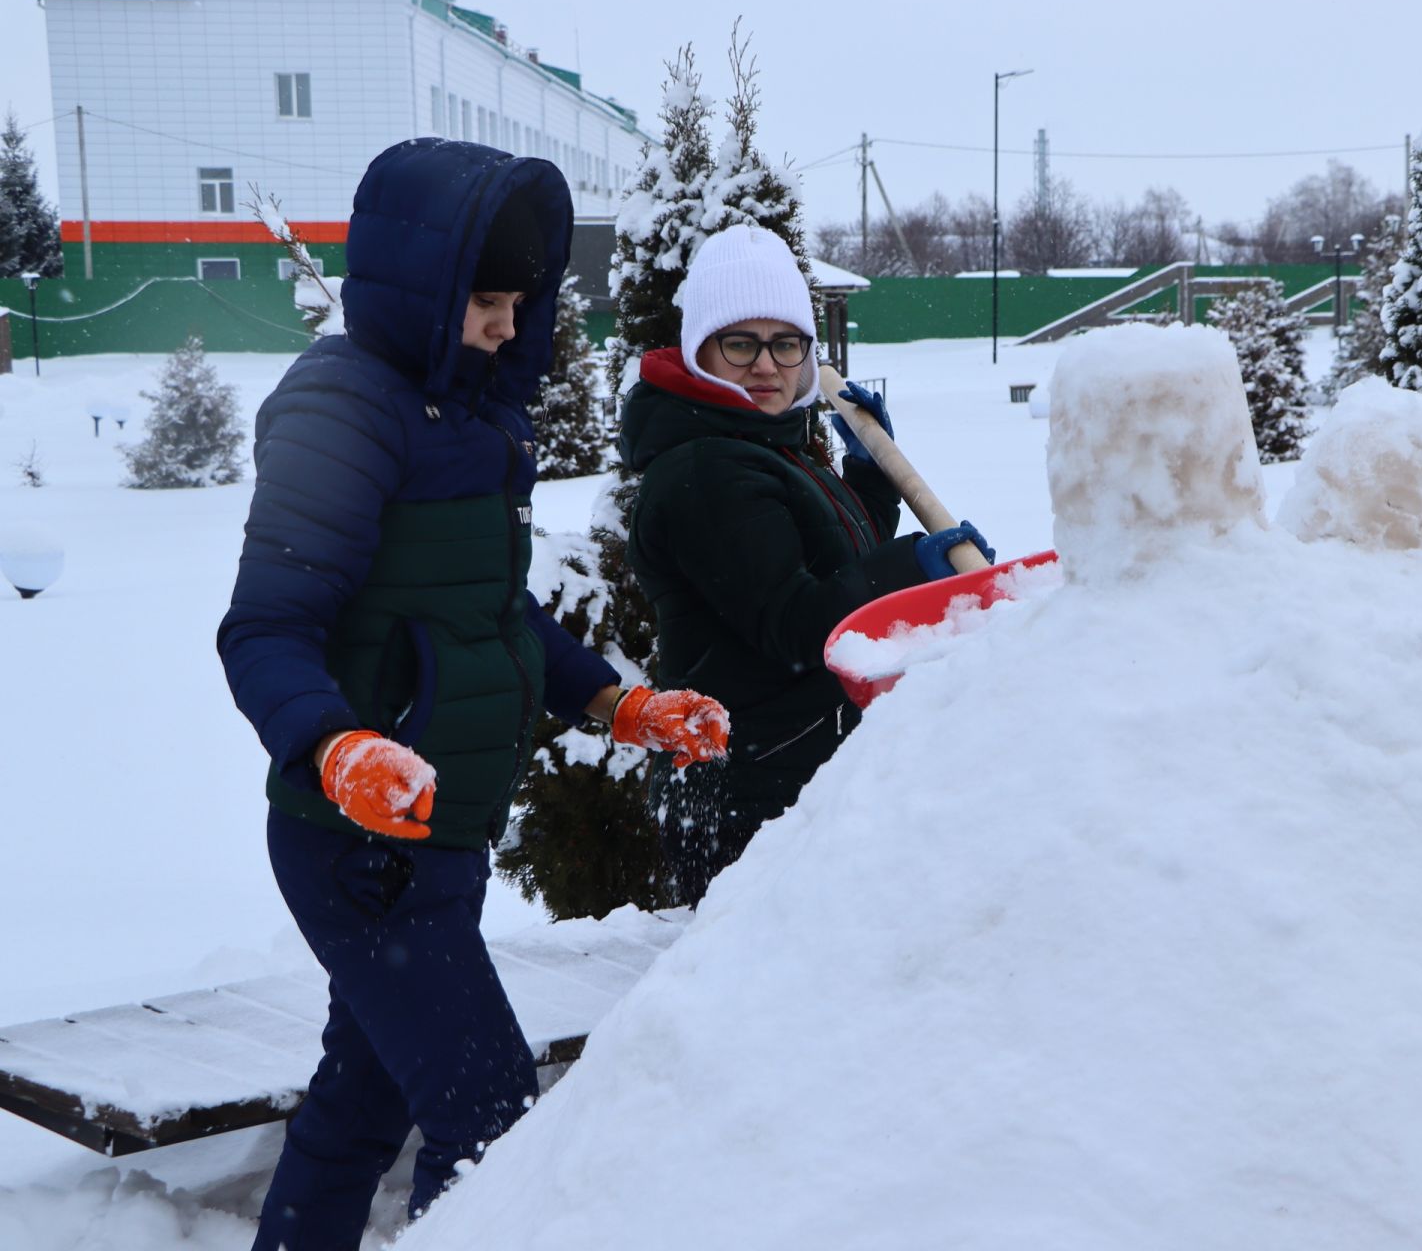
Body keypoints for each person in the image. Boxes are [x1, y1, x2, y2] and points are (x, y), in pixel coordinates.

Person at [216, 138, 729, 1251]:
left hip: (438, 831)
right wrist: (336, 745)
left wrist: (614, 703)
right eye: (482, 301)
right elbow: (264, 627)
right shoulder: (340, 414)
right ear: (420, 290)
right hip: (356, 839)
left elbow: (492, 615)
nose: (505, 325)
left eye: (516, 300)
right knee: (489, 1111)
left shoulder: (477, 418)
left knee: (366, 1096)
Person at [618, 224, 993, 906]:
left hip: (787, 775)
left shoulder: (766, 446)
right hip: (747, 794)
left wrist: (871, 477)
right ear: (699, 351)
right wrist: (915, 566)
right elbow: (800, 626)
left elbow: (839, 559)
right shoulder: (706, 468)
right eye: (741, 343)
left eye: (786, 343)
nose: (767, 365)